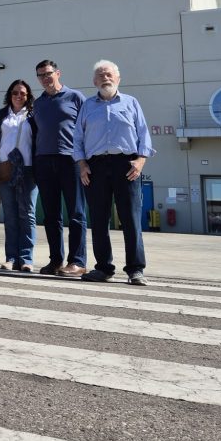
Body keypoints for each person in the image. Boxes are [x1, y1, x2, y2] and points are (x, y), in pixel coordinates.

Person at [73, 60, 154, 285]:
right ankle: (103, 268)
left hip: (126, 165)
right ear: (94, 81)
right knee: (99, 219)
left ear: (118, 78)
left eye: (109, 74)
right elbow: (78, 138)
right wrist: (82, 164)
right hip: (95, 166)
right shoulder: (87, 106)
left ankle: (135, 269)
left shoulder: (131, 103)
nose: (105, 78)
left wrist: (140, 161)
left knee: (130, 219)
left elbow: (143, 134)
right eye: (100, 75)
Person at [33, 59, 88, 277]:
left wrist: (85, 161)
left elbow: (87, 128)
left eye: (48, 73)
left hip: (70, 161)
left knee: (76, 213)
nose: (45, 78)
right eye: (41, 75)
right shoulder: (38, 103)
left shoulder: (75, 97)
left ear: (58, 73)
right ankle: (56, 260)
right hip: (44, 162)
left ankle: (77, 261)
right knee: (51, 216)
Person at [0, 80, 38, 272]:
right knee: (11, 215)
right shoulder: (1, 115)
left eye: (23, 93)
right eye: (15, 92)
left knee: (27, 214)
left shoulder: (33, 115)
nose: (18, 96)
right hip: (5, 170)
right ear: (9, 94)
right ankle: (11, 258)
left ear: (28, 96)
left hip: (28, 171)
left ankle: (26, 258)